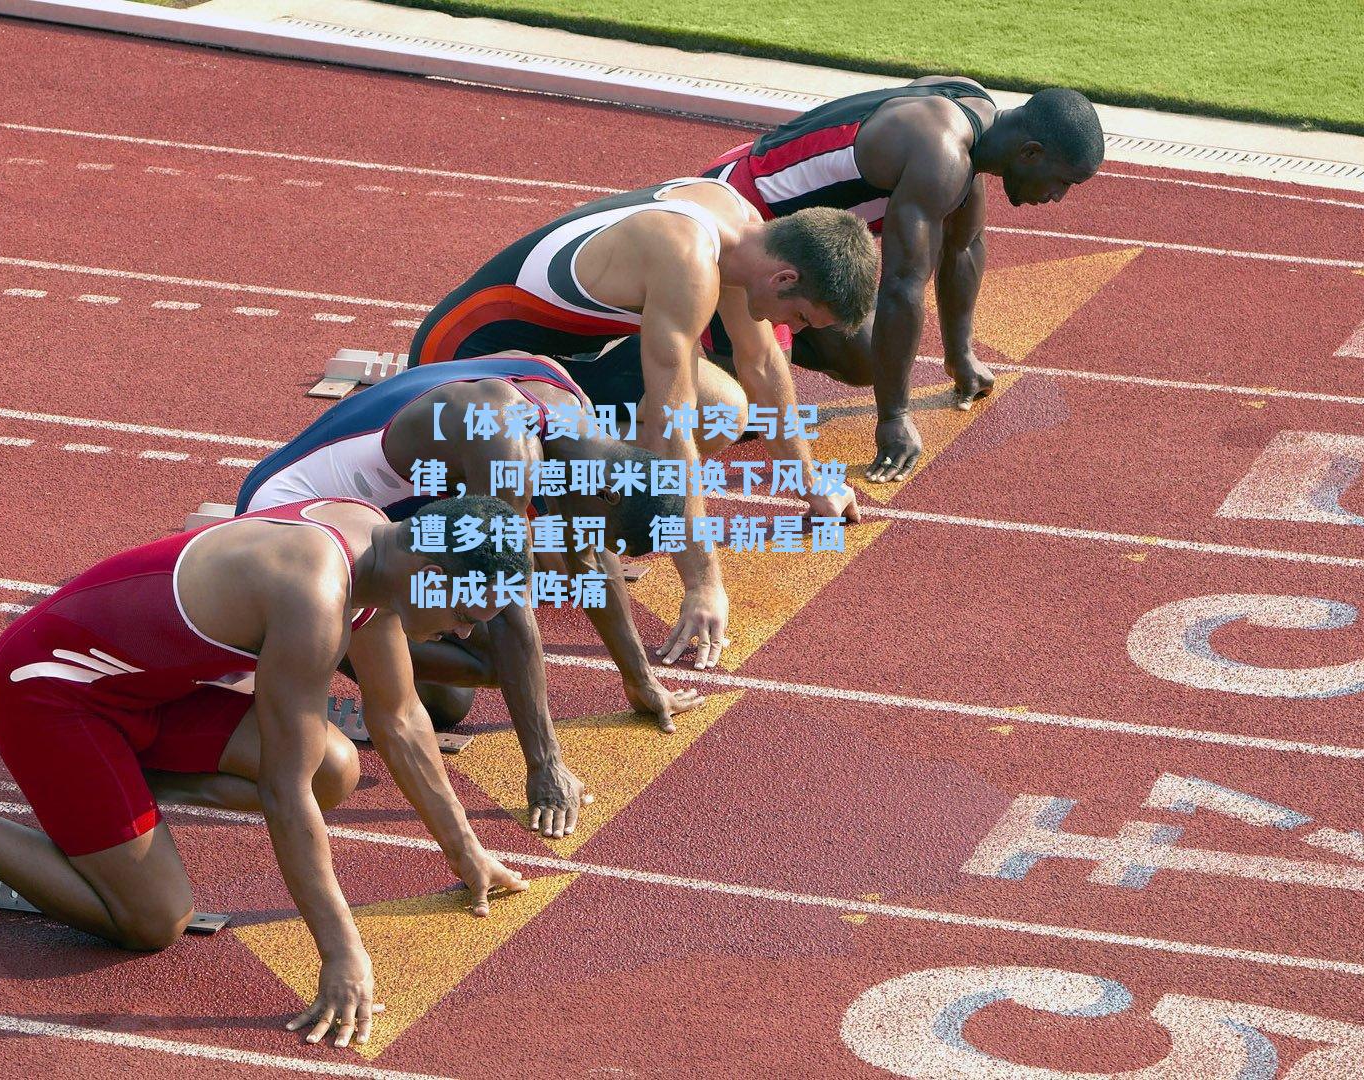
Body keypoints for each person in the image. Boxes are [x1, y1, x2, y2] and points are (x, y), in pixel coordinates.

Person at [0, 495, 531, 1049]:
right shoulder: (316, 595)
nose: (466, 635)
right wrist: (341, 953)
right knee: (154, 920)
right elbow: (282, 793)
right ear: (429, 563)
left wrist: (466, 852)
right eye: (469, 612)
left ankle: (104, 807)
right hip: (50, 691)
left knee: (336, 767)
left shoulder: (377, 552)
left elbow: (403, 718)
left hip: (142, 695)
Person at [408, 176, 876, 669]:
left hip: (557, 353)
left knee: (722, 412)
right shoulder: (688, 260)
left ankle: (559, 488)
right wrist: (702, 583)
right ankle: (534, 496)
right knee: (552, 568)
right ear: (784, 279)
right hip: (461, 359)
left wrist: (809, 481)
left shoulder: (745, 232)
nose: (794, 332)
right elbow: (668, 426)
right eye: (800, 317)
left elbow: (761, 363)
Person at [236, 352, 702, 839]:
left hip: (377, 514)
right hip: (290, 517)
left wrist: (641, 682)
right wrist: (545, 767)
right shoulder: (508, 452)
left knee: (462, 692)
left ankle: (350, 643)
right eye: (610, 535)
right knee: (494, 664)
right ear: (609, 491)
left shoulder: (574, 414)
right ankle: (311, 646)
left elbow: (587, 558)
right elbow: (506, 607)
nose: (598, 546)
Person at [703, 82, 1104, 482]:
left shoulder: (974, 116)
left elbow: (963, 245)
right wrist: (894, 417)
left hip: (785, 236)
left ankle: (754, 334)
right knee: (741, 416)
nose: (1057, 197)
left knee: (866, 356)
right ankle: (688, 329)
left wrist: (960, 355)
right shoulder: (941, 155)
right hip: (739, 218)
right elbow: (901, 286)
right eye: (1062, 182)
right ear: (1030, 152)